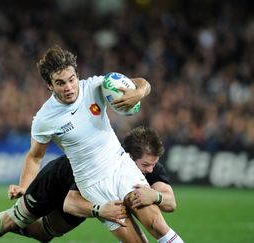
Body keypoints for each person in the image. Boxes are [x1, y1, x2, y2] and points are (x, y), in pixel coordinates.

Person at [13, 46, 183, 242]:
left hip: (120, 166)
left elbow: (143, 83)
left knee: (157, 226)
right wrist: (24, 187)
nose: (68, 87)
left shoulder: (93, 86)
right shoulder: (45, 118)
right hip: (93, 185)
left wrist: (138, 93)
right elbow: (35, 156)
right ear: (49, 85)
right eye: (60, 83)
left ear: (77, 75)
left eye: (71, 79)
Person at [0, 126, 176, 243]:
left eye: (153, 165)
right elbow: (70, 203)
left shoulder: (151, 169)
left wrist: (155, 196)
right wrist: (100, 210)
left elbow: (169, 200)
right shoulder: (103, 166)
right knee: (12, 220)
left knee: (44, 233)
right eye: (146, 165)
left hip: (87, 199)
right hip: (55, 183)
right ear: (127, 157)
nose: (150, 170)